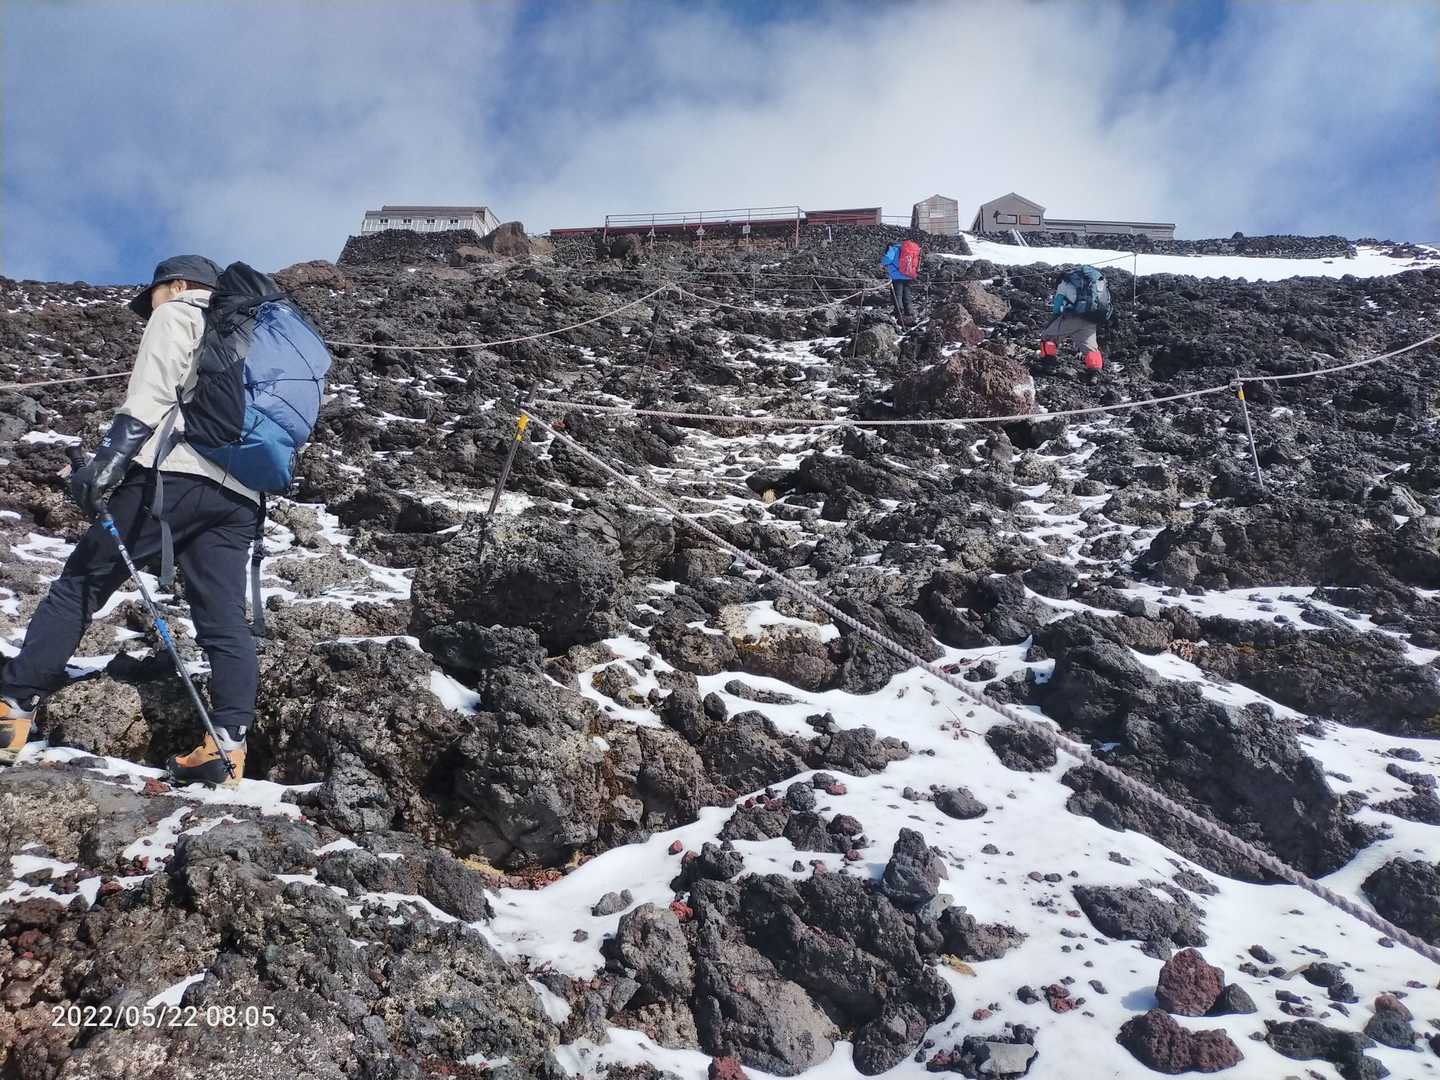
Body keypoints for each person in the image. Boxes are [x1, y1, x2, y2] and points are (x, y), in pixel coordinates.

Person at [0, 256, 261, 786]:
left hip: (173, 477)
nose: (150, 308)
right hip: (241, 495)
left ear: (179, 285)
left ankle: (12, 709)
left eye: (153, 297)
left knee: (80, 585)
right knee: (223, 617)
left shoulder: (181, 312)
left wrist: (109, 462)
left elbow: (152, 392)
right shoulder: (257, 332)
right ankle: (227, 749)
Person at [1040, 264, 1113, 372]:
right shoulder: (1095, 282)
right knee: (1090, 348)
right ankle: (1095, 372)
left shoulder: (1065, 282)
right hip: (1091, 318)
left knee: (1048, 337)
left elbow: (1057, 305)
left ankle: (1048, 365)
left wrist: (1054, 319)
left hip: (1073, 317)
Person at [881, 238, 921, 323]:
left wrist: (882, 262)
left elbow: (887, 259)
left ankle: (899, 313)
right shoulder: (906, 249)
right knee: (907, 295)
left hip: (897, 276)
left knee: (897, 295)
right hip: (908, 275)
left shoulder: (893, 249)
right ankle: (910, 313)